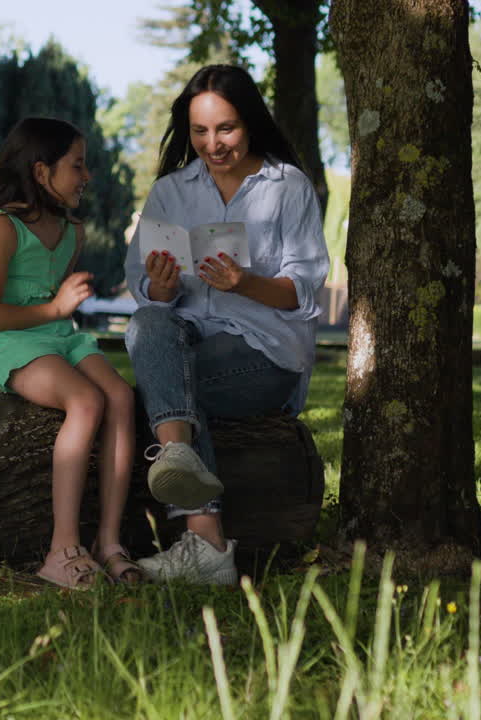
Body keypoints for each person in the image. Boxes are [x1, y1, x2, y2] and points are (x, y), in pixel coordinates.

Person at [124, 65, 329, 585]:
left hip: (265, 352)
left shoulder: (288, 186)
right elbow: (140, 281)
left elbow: (306, 292)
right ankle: (181, 464)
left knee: (164, 390)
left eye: (225, 128)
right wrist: (163, 287)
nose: (212, 144)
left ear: (250, 122)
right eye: (199, 131)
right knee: (148, 321)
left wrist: (245, 283)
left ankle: (202, 532)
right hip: (188, 336)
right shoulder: (171, 191)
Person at [0, 116, 138, 590]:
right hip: (5, 341)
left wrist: (57, 313)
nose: (87, 177)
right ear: (42, 173)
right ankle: (61, 551)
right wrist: (55, 307)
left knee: (121, 398)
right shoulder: (1, 228)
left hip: (56, 335)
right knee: (86, 402)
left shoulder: (71, 232)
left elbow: (55, 313)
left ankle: (108, 542)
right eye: (78, 166)